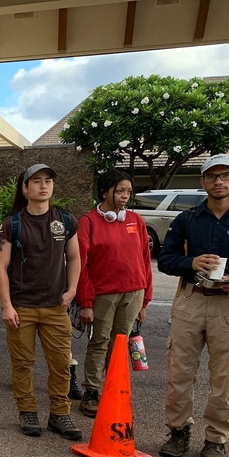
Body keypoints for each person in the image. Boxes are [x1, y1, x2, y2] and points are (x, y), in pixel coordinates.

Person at [157, 154, 229, 457]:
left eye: (225, 175)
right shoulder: (188, 219)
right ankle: (178, 431)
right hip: (191, 300)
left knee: (225, 376)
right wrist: (190, 263)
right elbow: (166, 259)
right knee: (179, 371)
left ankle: (216, 439)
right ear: (203, 182)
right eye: (211, 176)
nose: (218, 182)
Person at [0, 164, 83, 440]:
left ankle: (60, 413)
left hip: (56, 307)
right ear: (25, 188)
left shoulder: (66, 220)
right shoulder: (13, 223)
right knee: (23, 363)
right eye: (36, 181)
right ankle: (27, 410)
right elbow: (0, 265)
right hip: (22, 307)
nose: (43, 186)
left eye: (48, 181)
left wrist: (71, 291)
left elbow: (75, 257)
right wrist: (6, 305)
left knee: (61, 363)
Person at [75, 170, 153, 417]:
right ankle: (92, 392)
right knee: (99, 342)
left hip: (134, 292)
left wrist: (145, 300)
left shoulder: (136, 221)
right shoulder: (88, 222)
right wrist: (85, 301)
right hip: (103, 294)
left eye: (128, 192)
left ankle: (114, 389)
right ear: (105, 192)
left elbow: (145, 260)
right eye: (120, 191)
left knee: (120, 345)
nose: (124, 196)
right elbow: (81, 265)